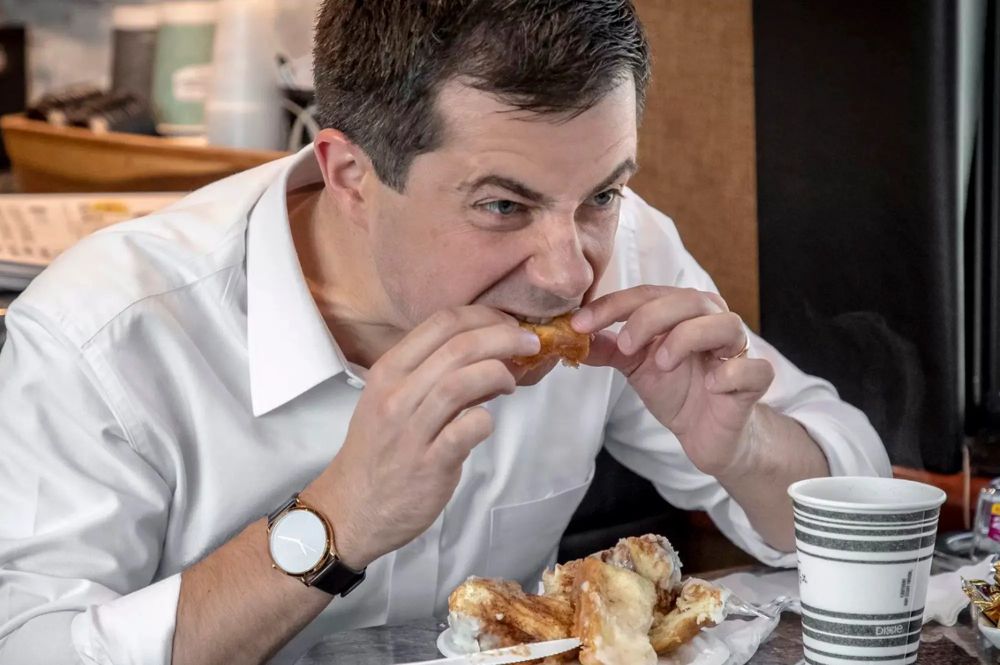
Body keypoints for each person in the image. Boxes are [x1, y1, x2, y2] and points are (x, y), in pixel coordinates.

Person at [0, 2, 890, 664]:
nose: (569, 271)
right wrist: (335, 522)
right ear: (350, 173)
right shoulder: (103, 336)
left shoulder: (622, 248)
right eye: (502, 204)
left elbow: (871, 511)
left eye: (603, 194)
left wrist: (745, 447)